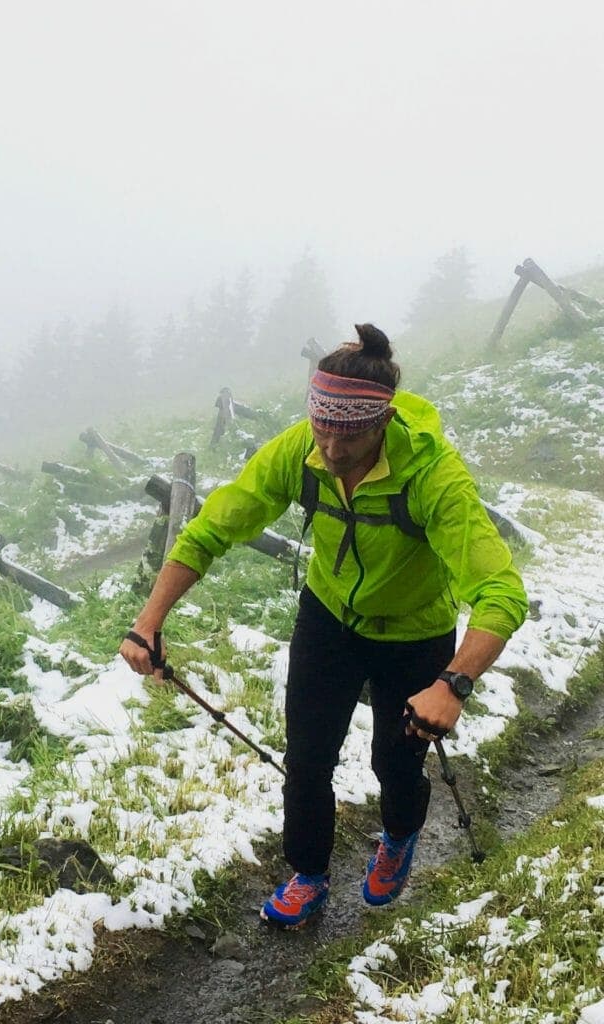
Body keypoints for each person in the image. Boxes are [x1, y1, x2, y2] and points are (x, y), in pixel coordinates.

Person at [119, 323, 527, 928]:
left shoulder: (433, 477)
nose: (332, 450)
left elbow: (500, 592)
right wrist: (148, 621)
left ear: (382, 422)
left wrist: (454, 684)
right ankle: (308, 873)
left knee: (396, 762)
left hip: (415, 633)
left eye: (351, 435)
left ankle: (398, 834)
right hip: (329, 619)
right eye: (322, 429)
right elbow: (212, 528)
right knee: (308, 758)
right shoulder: (300, 451)